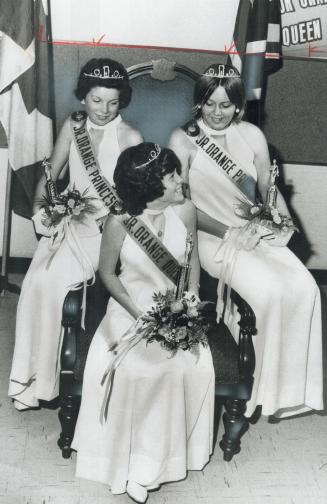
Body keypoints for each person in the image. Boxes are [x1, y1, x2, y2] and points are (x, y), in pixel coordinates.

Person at [168, 63, 323, 419]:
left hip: (255, 232)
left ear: (238, 106)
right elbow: (183, 205)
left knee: (305, 289)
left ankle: (294, 392)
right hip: (211, 237)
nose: (217, 113)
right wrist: (227, 232)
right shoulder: (183, 140)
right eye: (209, 104)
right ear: (199, 103)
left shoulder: (252, 135)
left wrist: (283, 222)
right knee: (268, 293)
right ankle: (260, 390)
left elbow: (270, 191)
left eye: (225, 105)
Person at [72, 143, 215, 503]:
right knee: (142, 369)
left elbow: (192, 259)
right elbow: (107, 273)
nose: (181, 180)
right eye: (172, 176)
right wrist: (140, 314)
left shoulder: (185, 211)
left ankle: (159, 463)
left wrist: (191, 297)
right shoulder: (119, 221)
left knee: (188, 366)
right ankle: (136, 465)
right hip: (130, 308)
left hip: (178, 307)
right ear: (151, 186)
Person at [8, 58, 143, 410]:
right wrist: (41, 209)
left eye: (113, 102)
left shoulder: (130, 136)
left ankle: (54, 378)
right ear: (83, 97)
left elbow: (132, 197)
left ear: (122, 100)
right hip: (73, 221)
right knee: (36, 281)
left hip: (107, 229)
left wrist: (109, 223)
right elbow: (52, 171)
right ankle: (32, 379)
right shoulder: (74, 124)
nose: (104, 109)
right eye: (96, 100)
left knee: (54, 285)